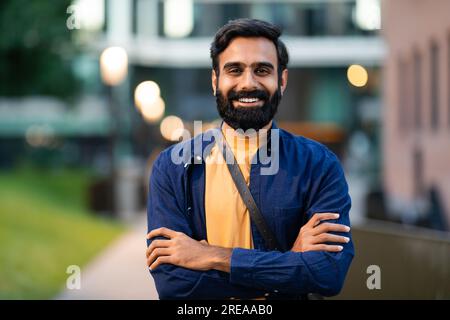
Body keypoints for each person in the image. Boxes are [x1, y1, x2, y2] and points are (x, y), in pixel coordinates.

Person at [145, 18, 354, 299]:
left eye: (262, 70)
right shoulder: (173, 166)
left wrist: (214, 256)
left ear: (282, 80)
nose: (248, 83)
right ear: (215, 80)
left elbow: (327, 273)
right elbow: (174, 285)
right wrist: (290, 262)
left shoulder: (318, 165)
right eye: (234, 70)